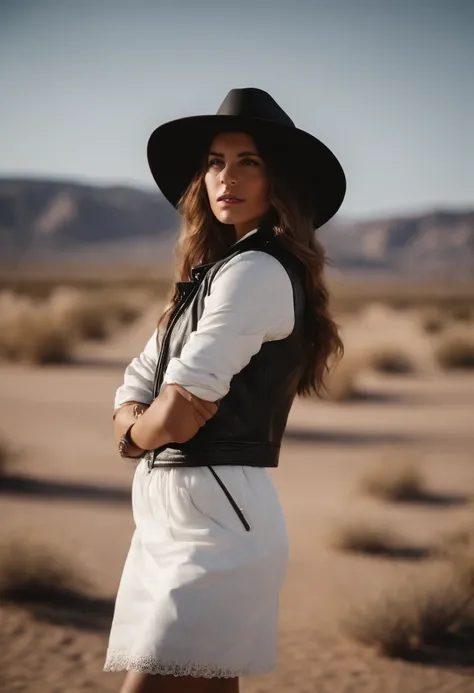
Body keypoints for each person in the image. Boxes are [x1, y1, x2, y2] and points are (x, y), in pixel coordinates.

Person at [104, 87, 346, 693]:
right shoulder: (210, 275)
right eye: (215, 161)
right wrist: (143, 422)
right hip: (172, 517)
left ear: (278, 180)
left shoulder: (257, 270)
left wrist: (134, 431)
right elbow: (136, 382)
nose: (226, 177)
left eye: (249, 162)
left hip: (214, 520)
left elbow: (180, 415)